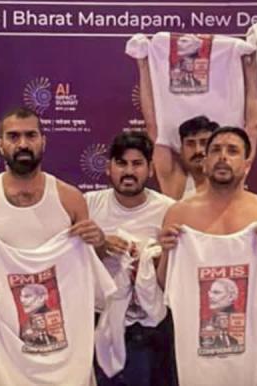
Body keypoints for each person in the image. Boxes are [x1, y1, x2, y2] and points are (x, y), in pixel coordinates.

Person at [0, 106, 104, 264]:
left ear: (43, 142)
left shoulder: (71, 199)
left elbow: (90, 260)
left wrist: (100, 243)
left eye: (31, 135)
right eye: (13, 136)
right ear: (0, 145)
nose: (23, 144)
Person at [84, 131, 176, 386]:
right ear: (108, 168)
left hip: (151, 324)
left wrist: (153, 258)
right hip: (99, 317)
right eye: (121, 163)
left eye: (137, 164)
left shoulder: (169, 209)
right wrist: (100, 246)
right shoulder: (88, 205)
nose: (128, 171)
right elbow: (69, 257)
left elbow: (178, 270)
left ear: (150, 169)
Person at [156, 126, 257, 292]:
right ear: (205, 163)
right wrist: (166, 253)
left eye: (232, 151)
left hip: (252, 308)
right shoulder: (179, 213)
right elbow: (165, 285)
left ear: (247, 166)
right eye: (216, 150)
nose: (222, 157)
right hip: (194, 308)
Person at [136, 50, 257, 200]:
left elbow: (254, 126)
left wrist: (250, 67)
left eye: (204, 143)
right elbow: (152, 126)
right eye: (191, 144)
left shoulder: (233, 176)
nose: (198, 150)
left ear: (214, 148)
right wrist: (143, 64)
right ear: (181, 150)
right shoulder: (175, 181)